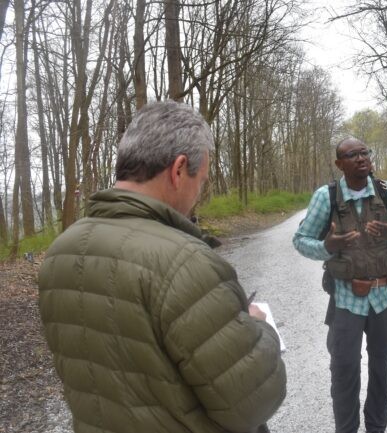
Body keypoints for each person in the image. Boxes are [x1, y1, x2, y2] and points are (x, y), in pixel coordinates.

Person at [38, 101, 286, 433]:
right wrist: (261, 330)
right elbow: (253, 401)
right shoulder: (184, 261)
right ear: (179, 169)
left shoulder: (60, 251)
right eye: (202, 180)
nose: (199, 193)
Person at [293, 137, 387, 433]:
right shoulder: (326, 197)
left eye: (364, 152)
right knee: (344, 372)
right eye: (352, 155)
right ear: (339, 164)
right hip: (346, 301)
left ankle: (376, 428)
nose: (361, 158)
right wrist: (328, 246)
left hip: (384, 297)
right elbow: (300, 240)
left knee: (381, 370)